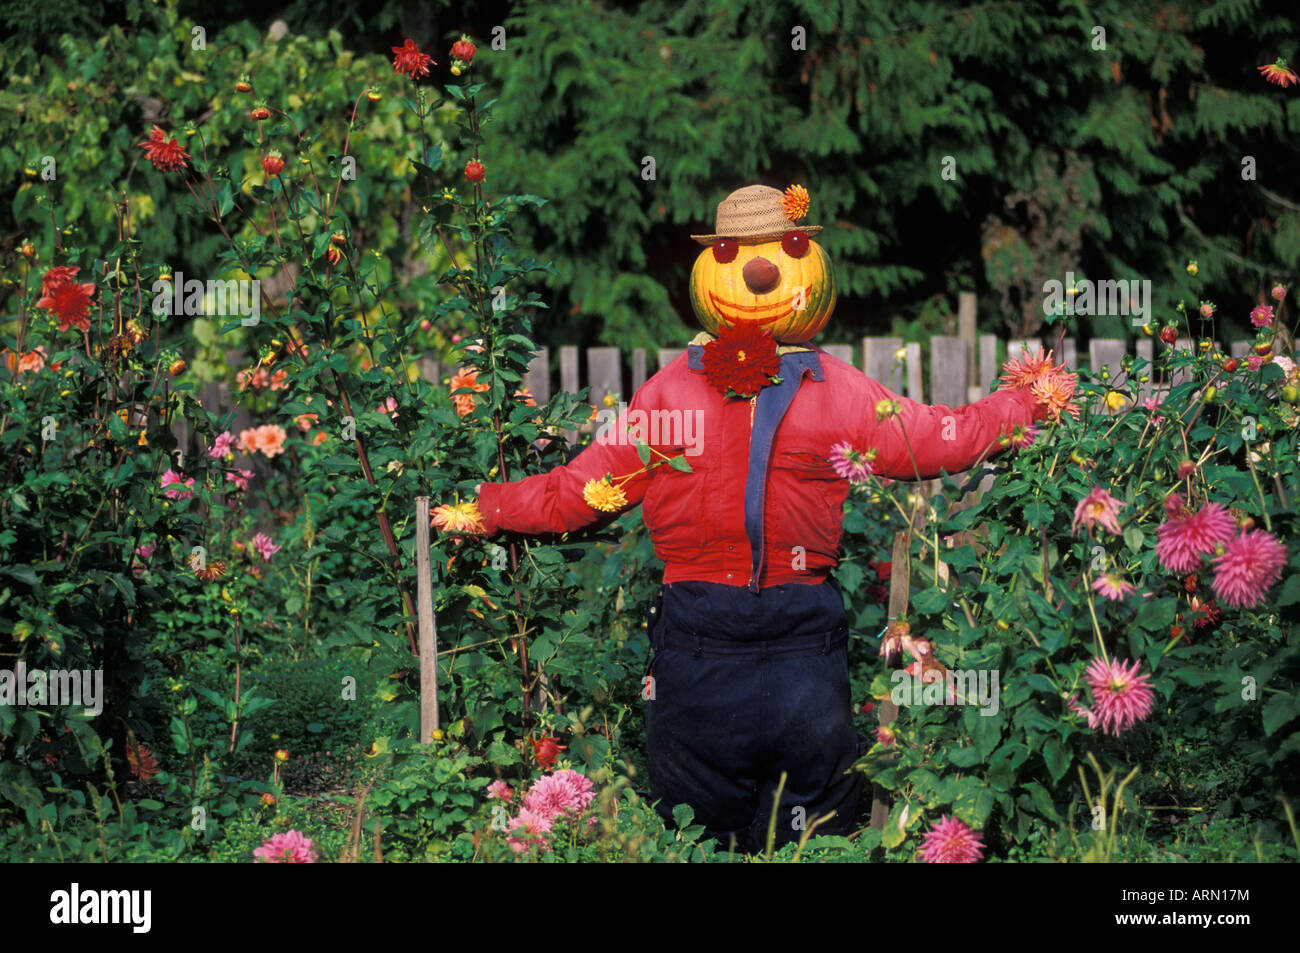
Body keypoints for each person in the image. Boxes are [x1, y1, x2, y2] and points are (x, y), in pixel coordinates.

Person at [454, 184, 1065, 852]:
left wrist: (484, 509)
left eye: (786, 248)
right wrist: (1028, 405)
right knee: (802, 835)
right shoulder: (746, 390)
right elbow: (941, 438)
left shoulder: (720, 392)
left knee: (708, 835)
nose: (761, 271)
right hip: (756, 644)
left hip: (739, 645)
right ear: (711, 265)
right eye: (733, 252)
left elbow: (578, 490)